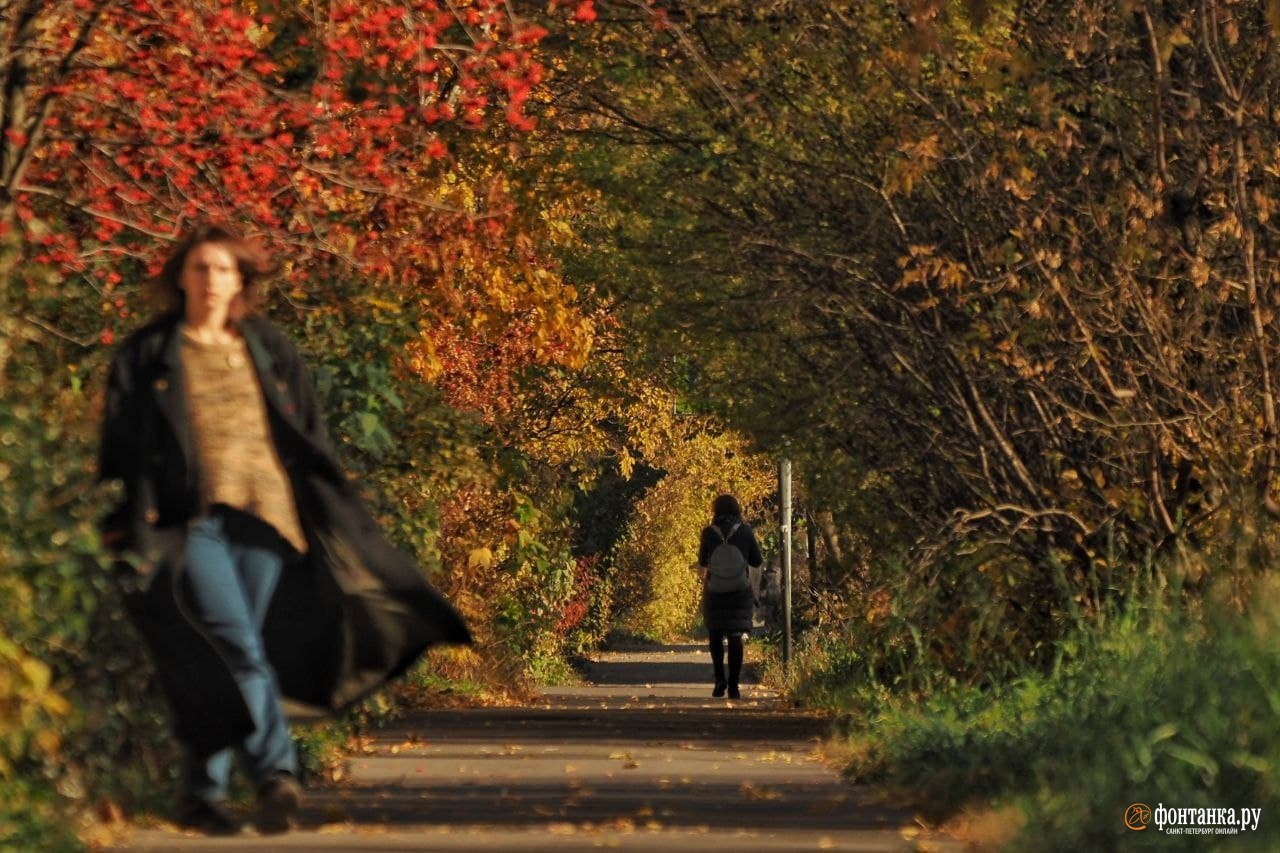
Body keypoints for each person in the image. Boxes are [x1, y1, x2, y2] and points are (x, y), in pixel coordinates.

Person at [98, 222, 471, 835]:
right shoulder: (149, 353)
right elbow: (121, 442)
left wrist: (326, 504)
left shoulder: (268, 347)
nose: (211, 279)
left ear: (241, 280)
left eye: (223, 269)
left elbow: (309, 433)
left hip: (268, 519)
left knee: (231, 653)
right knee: (236, 644)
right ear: (180, 278)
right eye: (199, 268)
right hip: (188, 521)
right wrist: (124, 517)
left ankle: (203, 797)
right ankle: (276, 773)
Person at [697, 494, 763, 699]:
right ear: (737, 510)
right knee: (736, 637)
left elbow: (702, 561)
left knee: (715, 635)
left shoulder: (708, 533)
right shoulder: (745, 532)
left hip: (715, 590)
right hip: (739, 591)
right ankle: (734, 685)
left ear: (715, 510)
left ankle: (719, 680)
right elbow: (756, 561)